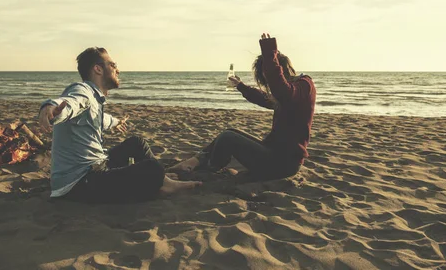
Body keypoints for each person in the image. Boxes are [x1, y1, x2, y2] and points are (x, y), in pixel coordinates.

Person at [38, 47, 200, 203]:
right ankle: (163, 184)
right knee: (152, 168)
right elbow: (72, 103)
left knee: (137, 143)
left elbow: (102, 119)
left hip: (96, 167)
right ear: (98, 69)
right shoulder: (83, 90)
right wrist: (51, 107)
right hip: (78, 183)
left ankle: (164, 183)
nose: (118, 70)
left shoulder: (95, 99)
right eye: (113, 65)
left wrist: (117, 122)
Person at [169, 33, 316, 180]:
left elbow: (280, 89)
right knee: (230, 132)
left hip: (283, 164)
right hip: (274, 154)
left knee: (228, 138)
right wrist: (241, 86)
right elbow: (265, 99)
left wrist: (269, 52)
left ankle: (210, 169)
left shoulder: (303, 86)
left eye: (267, 80)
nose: (268, 86)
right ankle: (196, 162)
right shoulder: (291, 93)